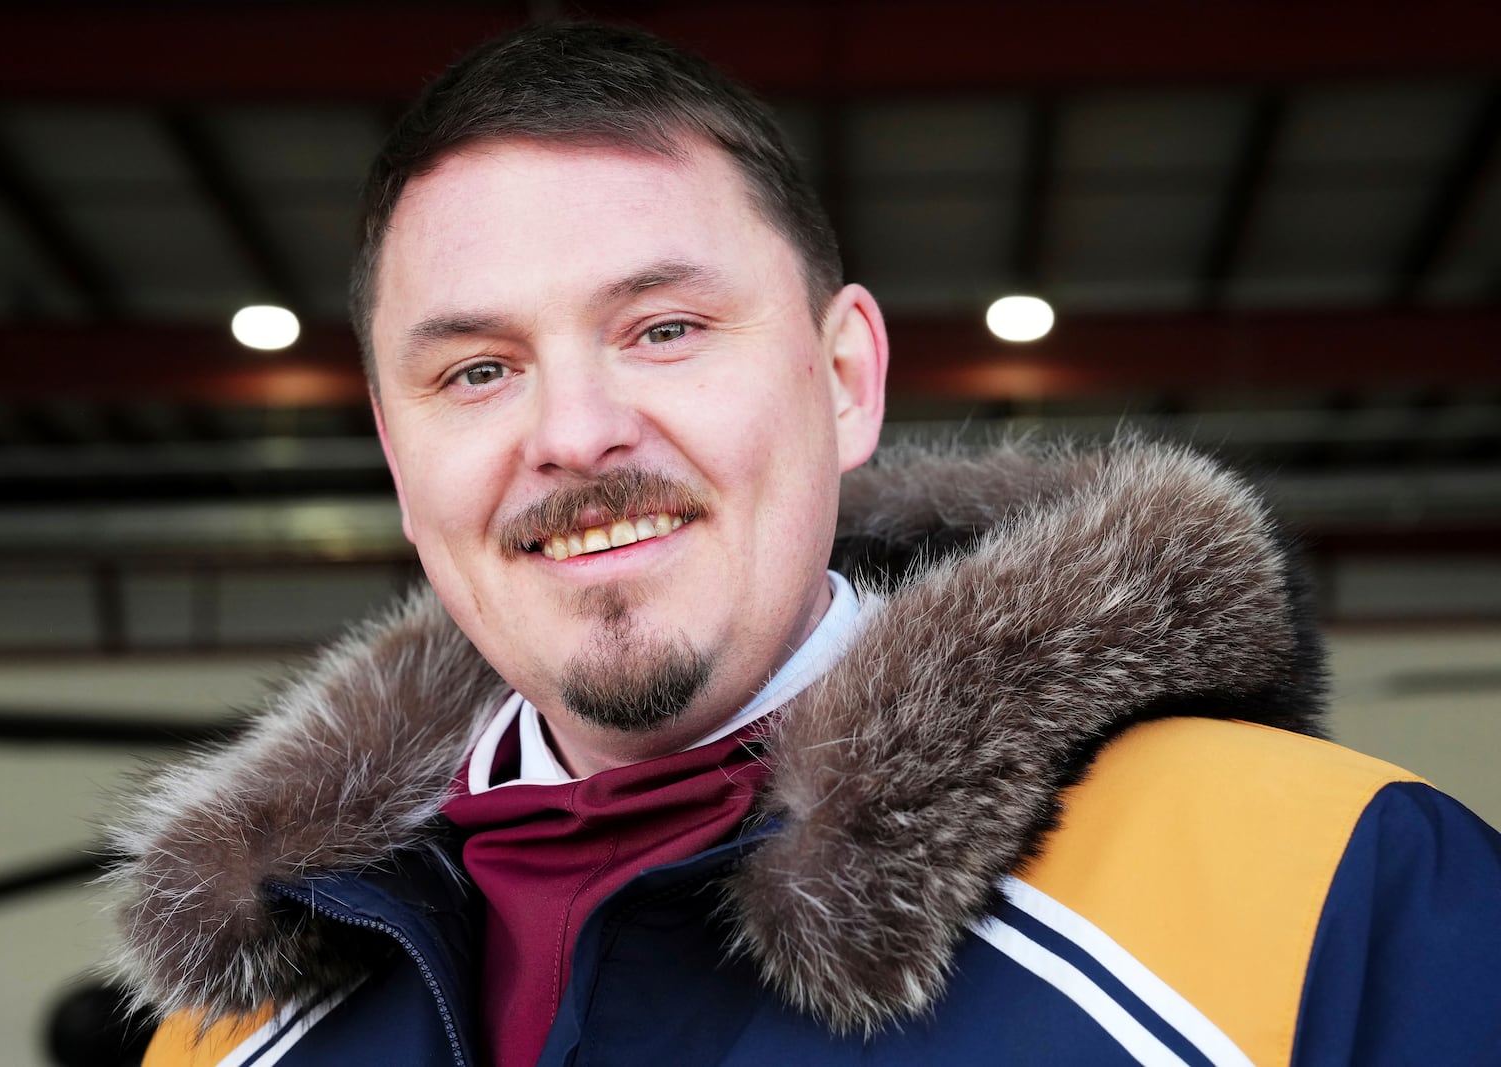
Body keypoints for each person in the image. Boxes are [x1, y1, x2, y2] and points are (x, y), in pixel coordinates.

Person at [110, 21, 1501, 1067]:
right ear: (397, 454)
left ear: (846, 379)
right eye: (476, 370)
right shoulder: (230, 1029)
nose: (578, 433)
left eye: (665, 328)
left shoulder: (1331, 889)